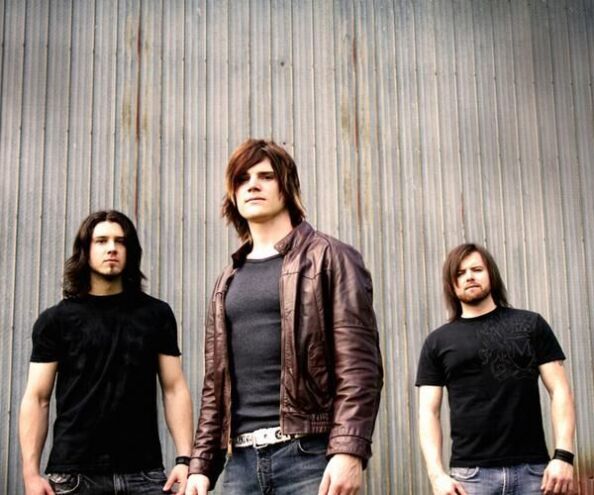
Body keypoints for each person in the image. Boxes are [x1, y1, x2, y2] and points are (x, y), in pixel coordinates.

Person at [185, 139, 383, 495]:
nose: (253, 185)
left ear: (287, 186)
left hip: (309, 457)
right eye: (243, 179)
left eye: (266, 176)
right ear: (233, 194)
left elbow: (359, 366)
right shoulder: (228, 280)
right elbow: (215, 386)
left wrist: (349, 450)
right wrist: (201, 465)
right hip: (240, 464)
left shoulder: (330, 257)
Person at [19, 210, 194, 495]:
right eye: (101, 241)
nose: (111, 248)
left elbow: (174, 389)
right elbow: (37, 398)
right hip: (75, 477)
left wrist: (185, 460)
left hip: (144, 474)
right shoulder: (55, 320)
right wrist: (30, 474)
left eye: (120, 241)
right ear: (85, 250)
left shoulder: (156, 314)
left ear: (130, 251)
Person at [416, 243, 576, 495]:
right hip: (470, 478)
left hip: (534, 473)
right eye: (460, 273)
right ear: (451, 284)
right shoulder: (437, 342)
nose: (469, 276)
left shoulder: (531, 324)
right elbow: (428, 412)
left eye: (476, 269)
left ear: (491, 273)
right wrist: (436, 475)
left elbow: (560, 391)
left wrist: (564, 456)